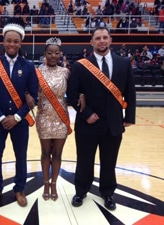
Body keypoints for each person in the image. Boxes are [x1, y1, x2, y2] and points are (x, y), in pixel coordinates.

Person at [67, 27, 136, 211]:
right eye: (98, 38)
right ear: (91, 42)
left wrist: (130, 116)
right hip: (88, 123)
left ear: (110, 40)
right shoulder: (80, 65)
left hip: (113, 123)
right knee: (84, 160)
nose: (102, 41)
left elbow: (130, 91)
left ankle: (107, 193)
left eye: (105, 37)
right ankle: (81, 191)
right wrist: (86, 113)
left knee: (109, 161)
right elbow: (72, 94)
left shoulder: (123, 63)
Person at [0, 17, 38, 207]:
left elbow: (33, 97)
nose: (12, 44)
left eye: (16, 41)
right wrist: (0, 117)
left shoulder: (29, 66)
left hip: (19, 121)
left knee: (20, 156)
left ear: (20, 42)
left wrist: (15, 117)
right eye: (9, 40)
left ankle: (20, 189)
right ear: (3, 41)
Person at [35, 37, 72, 201]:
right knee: (45, 153)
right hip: (43, 116)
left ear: (60, 54)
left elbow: (76, 90)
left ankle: (54, 183)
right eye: (49, 53)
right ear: (45, 54)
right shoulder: (37, 72)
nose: (53, 56)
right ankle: (45, 183)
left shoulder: (66, 72)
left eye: (56, 53)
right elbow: (28, 90)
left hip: (61, 116)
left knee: (57, 154)